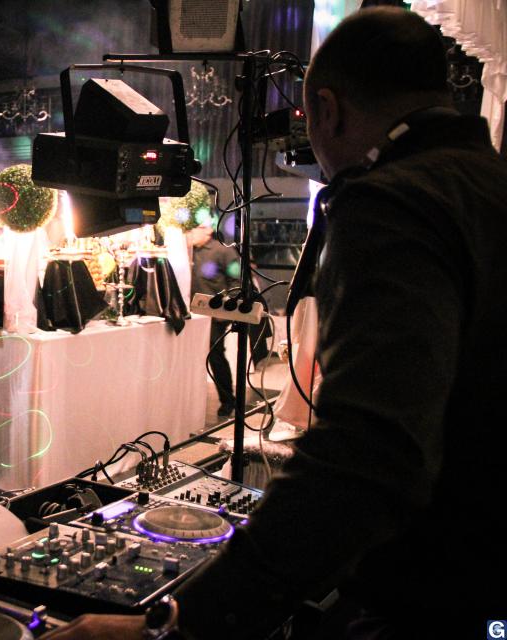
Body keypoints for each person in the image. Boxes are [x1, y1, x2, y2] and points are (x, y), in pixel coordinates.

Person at [44, 7, 507, 639]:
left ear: (326, 110)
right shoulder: (488, 182)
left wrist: (182, 625)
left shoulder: (395, 202)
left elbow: (368, 457)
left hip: (438, 598)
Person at [188, 220, 240, 418]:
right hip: (190, 314)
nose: (191, 233)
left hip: (213, 316)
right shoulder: (188, 252)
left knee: (216, 356)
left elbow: (236, 282)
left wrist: (225, 309)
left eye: (195, 228)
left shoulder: (222, 251)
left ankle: (228, 401)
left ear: (208, 230)